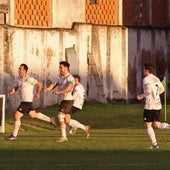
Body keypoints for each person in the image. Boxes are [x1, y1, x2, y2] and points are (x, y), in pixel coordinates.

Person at [5, 63, 56, 141]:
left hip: (26, 101)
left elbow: (40, 84)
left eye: (20, 69)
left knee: (17, 116)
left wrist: (37, 93)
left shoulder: (29, 79)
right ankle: (50, 120)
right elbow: (15, 88)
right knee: (33, 115)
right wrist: (9, 93)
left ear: (25, 71)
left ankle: (14, 135)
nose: (18, 70)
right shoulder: (19, 79)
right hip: (24, 101)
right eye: (18, 69)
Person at [137, 63, 170, 149]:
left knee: (148, 125)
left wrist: (141, 96)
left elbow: (148, 91)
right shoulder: (156, 78)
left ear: (147, 70)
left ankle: (155, 145)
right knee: (156, 124)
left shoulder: (146, 79)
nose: (143, 70)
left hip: (150, 106)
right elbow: (162, 89)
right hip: (158, 105)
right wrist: (155, 95)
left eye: (144, 69)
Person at [44, 61, 75, 142]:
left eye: (61, 67)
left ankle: (64, 136)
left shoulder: (70, 78)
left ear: (66, 68)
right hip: (63, 101)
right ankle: (72, 126)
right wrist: (48, 89)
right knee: (65, 119)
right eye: (59, 67)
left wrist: (60, 92)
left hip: (68, 100)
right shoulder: (60, 77)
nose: (59, 69)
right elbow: (54, 84)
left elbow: (69, 88)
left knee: (60, 116)